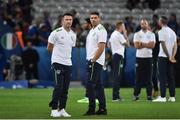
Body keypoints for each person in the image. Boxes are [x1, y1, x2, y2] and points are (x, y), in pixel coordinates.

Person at [47, 13, 76, 117]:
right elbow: (49, 47)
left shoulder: (73, 34)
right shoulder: (56, 32)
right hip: (57, 63)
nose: (69, 21)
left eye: (70, 19)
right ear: (62, 21)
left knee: (65, 88)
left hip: (68, 63)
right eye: (66, 19)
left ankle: (62, 109)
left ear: (72, 21)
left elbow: (71, 47)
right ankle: (54, 109)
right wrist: (56, 58)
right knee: (58, 86)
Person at [84, 12, 107, 115]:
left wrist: (93, 60)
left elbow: (101, 47)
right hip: (92, 60)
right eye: (91, 18)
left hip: (95, 61)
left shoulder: (101, 30)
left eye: (95, 18)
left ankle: (91, 109)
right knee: (98, 86)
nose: (93, 19)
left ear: (99, 19)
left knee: (90, 85)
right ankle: (102, 109)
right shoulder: (92, 30)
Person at [153, 16, 177, 102]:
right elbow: (175, 46)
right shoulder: (172, 32)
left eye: (159, 21)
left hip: (163, 57)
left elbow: (163, 45)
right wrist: (172, 56)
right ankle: (172, 97)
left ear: (161, 22)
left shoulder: (161, 32)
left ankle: (162, 97)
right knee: (171, 77)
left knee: (162, 77)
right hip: (170, 58)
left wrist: (168, 56)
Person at [133, 19, 155, 101]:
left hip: (149, 57)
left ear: (147, 24)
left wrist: (142, 43)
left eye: (145, 23)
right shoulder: (137, 34)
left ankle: (149, 96)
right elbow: (137, 46)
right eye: (142, 24)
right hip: (139, 58)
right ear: (140, 25)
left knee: (149, 78)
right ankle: (136, 95)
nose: (143, 25)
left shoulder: (151, 34)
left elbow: (152, 45)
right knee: (138, 77)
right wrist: (147, 44)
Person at [108, 21, 129, 102]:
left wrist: (114, 49)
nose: (124, 28)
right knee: (117, 76)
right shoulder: (119, 35)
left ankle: (116, 95)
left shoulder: (113, 34)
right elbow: (127, 45)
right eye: (123, 26)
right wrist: (125, 34)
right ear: (120, 27)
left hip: (115, 55)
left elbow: (109, 44)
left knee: (116, 76)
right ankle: (115, 97)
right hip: (119, 56)